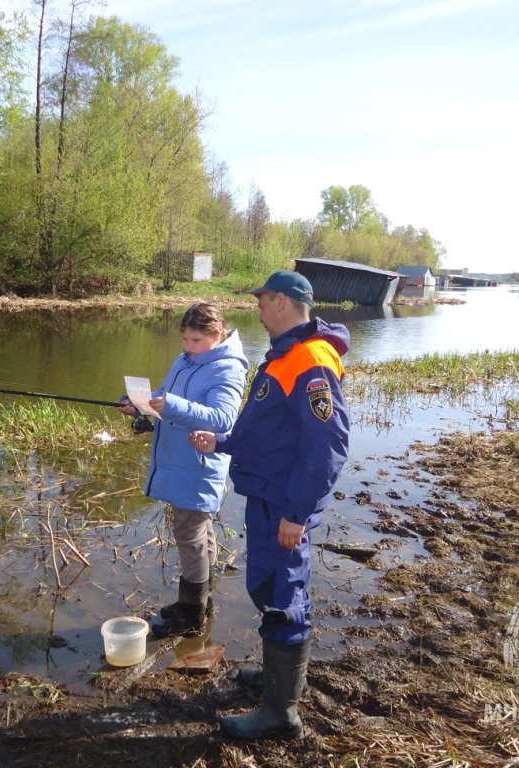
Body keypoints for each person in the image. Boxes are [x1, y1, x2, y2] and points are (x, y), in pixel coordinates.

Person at [190, 270, 350, 743]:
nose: (257, 311)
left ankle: (281, 713)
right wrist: (221, 441)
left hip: (284, 504)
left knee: (284, 597)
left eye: (262, 303)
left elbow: (328, 447)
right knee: (268, 587)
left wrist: (296, 515)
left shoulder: (311, 360)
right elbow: (266, 427)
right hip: (266, 498)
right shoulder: (281, 356)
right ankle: (276, 677)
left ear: (282, 302)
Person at [119, 302, 248, 637]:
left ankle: (191, 615)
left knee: (189, 534)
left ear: (217, 335)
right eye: (185, 339)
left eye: (195, 341)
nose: (188, 347)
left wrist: (171, 405)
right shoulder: (186, 359)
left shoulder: (228, 368)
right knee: (199, 534)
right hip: (180, 461)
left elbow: (223, 419)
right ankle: (201, 599)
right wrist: (139, 401)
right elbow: (165, 395)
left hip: (199, 464)